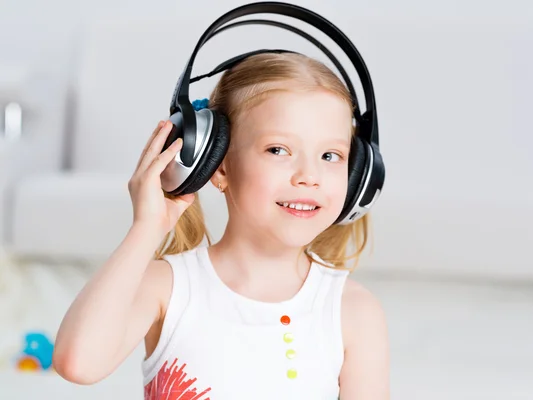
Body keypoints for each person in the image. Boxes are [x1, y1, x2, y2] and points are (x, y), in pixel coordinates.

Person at [52, 49, 389, 399]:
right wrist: (146, 228)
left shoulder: (352, 311)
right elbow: (78, 363)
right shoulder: (168, 287)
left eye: (330, 156)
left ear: (358, 175)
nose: (309, 176)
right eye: (278, 150)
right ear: (219, 165)